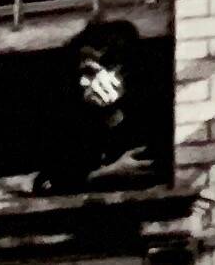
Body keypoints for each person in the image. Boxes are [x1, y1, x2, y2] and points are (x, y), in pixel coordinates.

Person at [32, 17, 165, 194]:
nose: (83, 82)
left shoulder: (149, 126)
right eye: (80, 73)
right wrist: (103, 176)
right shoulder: (76, 129)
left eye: (90, 72)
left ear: (119, 72)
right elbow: (46, 183)